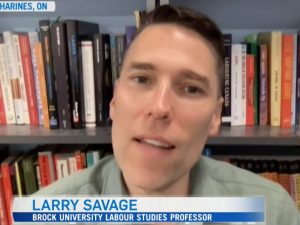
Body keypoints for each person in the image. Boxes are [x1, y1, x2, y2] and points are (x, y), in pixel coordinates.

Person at [31, 4, 298, 225]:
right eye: (142, 79)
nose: (159, 108)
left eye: (191, 88)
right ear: (114, 100)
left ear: (216, 116)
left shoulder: (271, 212)